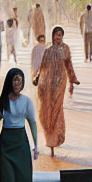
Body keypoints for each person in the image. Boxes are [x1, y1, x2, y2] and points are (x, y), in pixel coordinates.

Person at [34, 26, 79, 156]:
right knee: (46, 111)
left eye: (60, 35)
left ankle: (55, 139)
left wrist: (72, 82)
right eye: (57, 35)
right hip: (47, 84)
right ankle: (50, 140)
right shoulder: (48, 51)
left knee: (57, 110)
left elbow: (69, 65)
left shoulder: (65, 49)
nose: (58, 37)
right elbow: (43, 67)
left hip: (60, 83)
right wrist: (37, 78)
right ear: (53, 36)